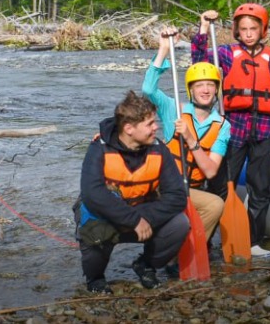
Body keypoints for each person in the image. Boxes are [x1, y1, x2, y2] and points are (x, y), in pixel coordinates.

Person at [193, 3, 270, 259]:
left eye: (253, 29)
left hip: (266, 132)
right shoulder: (225, 54)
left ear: (263, 30)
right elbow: (199, 64)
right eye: (244, 29)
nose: (248, 33)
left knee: (260, 189)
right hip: (232, 130)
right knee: (222, 186)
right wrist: (203, 28)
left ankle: (252, 240)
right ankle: (209, 237)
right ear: (237, 30)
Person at [75, 91, 190, 292]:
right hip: (106, 217)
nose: (157, 127)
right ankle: (95, 280)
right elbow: (92, 194)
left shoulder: (159, 150)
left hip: (144, 214)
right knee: (93, 225)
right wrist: (132, 220)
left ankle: (146, 265)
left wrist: (141, 218)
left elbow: (177, 197)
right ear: (129, 128)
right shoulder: (99, 148)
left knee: (180, 224)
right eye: (150, 124)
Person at [142, 26, 230, 242]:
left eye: (210, 85)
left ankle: (192, 247)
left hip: (193, 189)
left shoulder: (222, 125)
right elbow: (148, 90)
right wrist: (163, 49)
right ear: (191, 90)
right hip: (166, 186)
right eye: (200, 85)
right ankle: (169, 249)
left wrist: (190, 139)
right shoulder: (175, 110)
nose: (206, 90)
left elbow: (210, 171)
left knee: (215, 204)